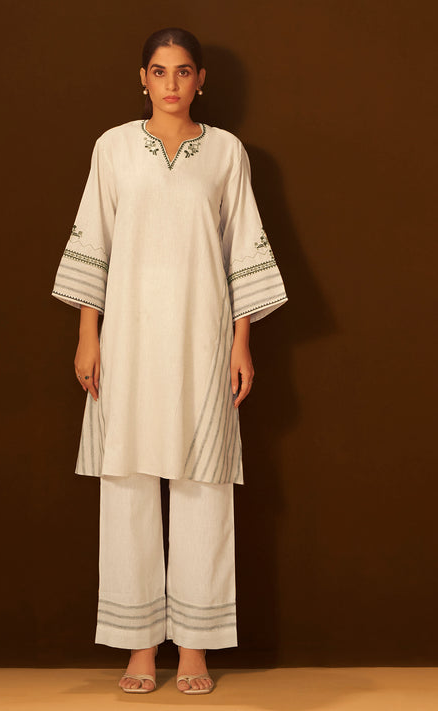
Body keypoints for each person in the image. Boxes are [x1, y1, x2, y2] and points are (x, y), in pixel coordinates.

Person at [52, 27, 288, 695]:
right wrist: (88, 335)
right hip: (126, 341)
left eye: (183, 71)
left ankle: (192, 648)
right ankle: (138, 648)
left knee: (202, 487)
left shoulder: (227, 153)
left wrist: (241, 341)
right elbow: (95, 241)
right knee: (127, 486)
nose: (172, 84)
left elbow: (241, 247)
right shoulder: (113, 148)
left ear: (201, 79)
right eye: (159, 71)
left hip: (202, 340)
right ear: (143, 78)